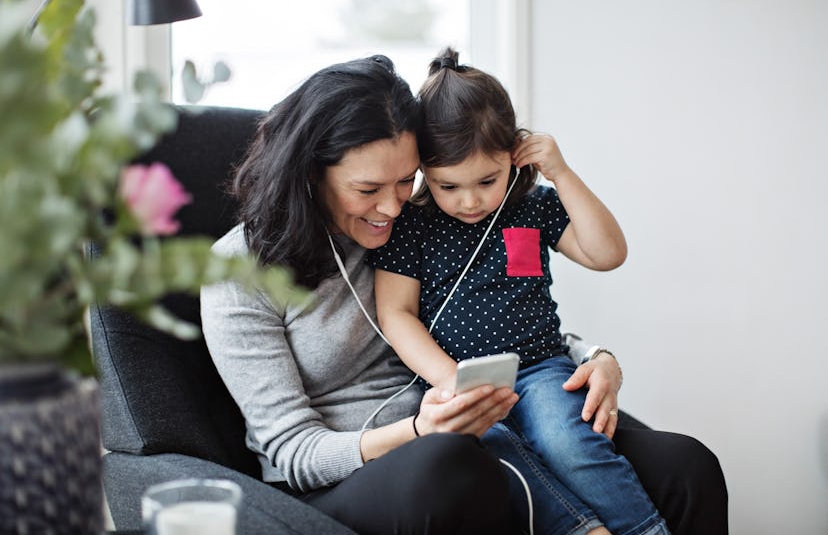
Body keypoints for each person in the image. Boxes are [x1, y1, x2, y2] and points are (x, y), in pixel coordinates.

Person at [200, 53, 728, 535]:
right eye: (368, 190)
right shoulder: (237, 275)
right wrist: (418, 429)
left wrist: (595, 357)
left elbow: (496, 308)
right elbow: (294, 450)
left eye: (406, 181)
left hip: (472, 411)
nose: (392, 206)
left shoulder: (411, 223)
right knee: (453, 467)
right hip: (361, 467)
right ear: (309, 175)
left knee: (686, 464)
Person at [369, 47, 668, 535]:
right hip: (457, 381)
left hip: (541, 368)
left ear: (514, 154)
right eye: (448, 186)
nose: (469, 200)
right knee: (499, 456)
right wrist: (449, 380)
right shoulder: (413, 225)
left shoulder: (530, 206)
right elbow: (396, 314)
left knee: (567, 441)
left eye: (487, 180)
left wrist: (562, 174)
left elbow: (607, 253)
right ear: (424, 170)